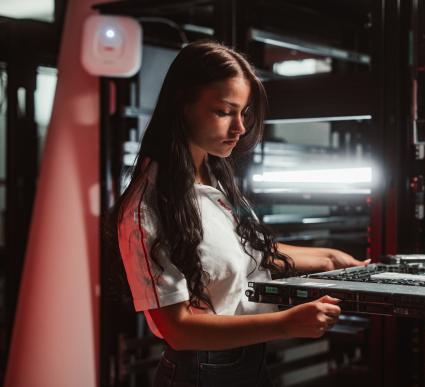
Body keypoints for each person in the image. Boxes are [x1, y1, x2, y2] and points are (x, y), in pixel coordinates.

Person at [112, 40, 370, 387]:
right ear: (183, 104)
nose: (240, 128)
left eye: (244, 112)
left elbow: (239, 253)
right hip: (201, 372)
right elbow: (179, 330)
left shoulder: (213, 177)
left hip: (246, 362)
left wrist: (327, 258)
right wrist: (286, 323)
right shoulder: (147, 206)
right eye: (224, 112)